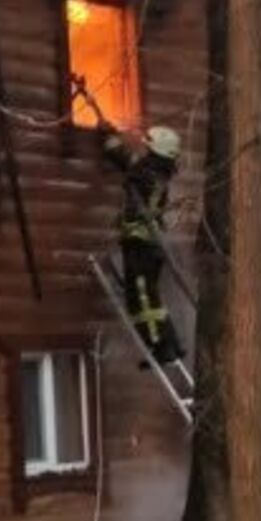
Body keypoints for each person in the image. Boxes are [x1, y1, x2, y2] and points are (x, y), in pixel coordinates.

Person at [98, 121, 183, 365]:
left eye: (149, 149)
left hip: (142, 244)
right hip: (143, 243)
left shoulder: (148, 175)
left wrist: (111, 140)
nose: (145, 151)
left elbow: (128, 163)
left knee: (143, 298)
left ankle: (161, 346)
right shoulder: (154, 173)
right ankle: (170, 344)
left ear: (157, 154)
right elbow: (127, 160)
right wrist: (110, 137)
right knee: (146, 296)